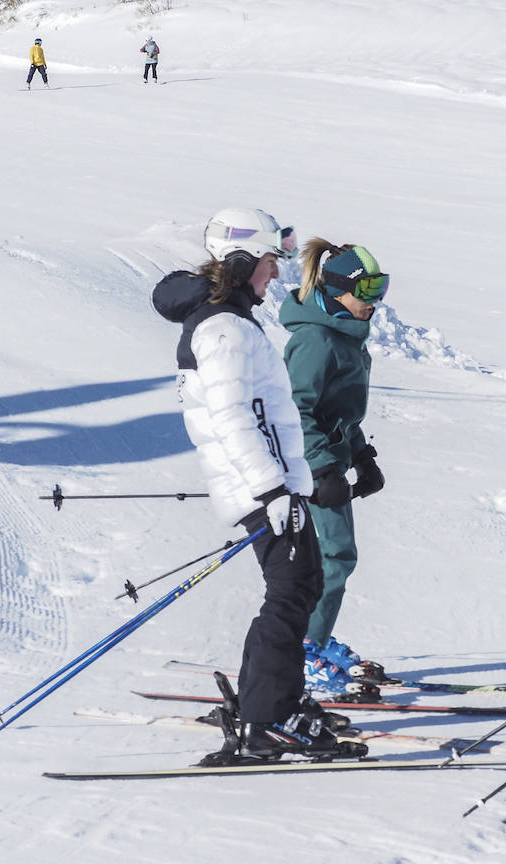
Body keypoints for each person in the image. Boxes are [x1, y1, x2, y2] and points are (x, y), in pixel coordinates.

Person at [151, 208, 362, 762]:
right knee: (291, 592)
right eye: (271, 261)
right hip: (259, 487)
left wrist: (296, 484)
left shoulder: (232, 320)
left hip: (271, 484)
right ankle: (265, 721)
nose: (277, 274)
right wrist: (272, 491)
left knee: (301, 586)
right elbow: (233, 418)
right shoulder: (222, 327)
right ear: (244, 262)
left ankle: (271, 704)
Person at [279, 239, 390, 698]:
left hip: (328, 467)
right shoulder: (316, 340)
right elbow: (295, 412)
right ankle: (304, 653)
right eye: (366, 288)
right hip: (308, 470)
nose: (375, 300)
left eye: (381, 286)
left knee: (328, 559)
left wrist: (362, 456)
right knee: (334, 557)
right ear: (339, 289)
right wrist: (324, 469)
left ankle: (310, 640)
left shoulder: (344, 336)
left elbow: (337, 413)